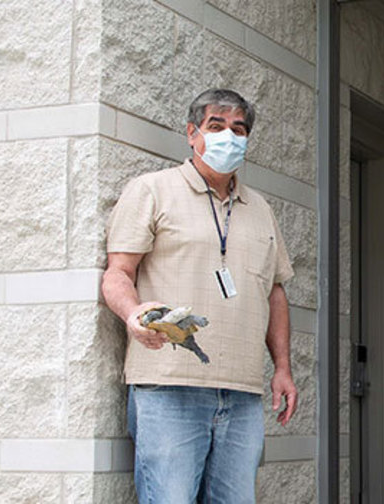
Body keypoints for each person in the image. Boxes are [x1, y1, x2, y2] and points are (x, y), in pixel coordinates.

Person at [102, 88, 298, 503]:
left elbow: (274, 292)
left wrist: (282, 366)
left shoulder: (260, 208)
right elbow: (118, 273)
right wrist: (133, 313)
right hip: (168, 386)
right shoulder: (152, 191)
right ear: (192, 134)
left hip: (243, 392)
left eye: (238, 129)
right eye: (216, 126)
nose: (229, 136)